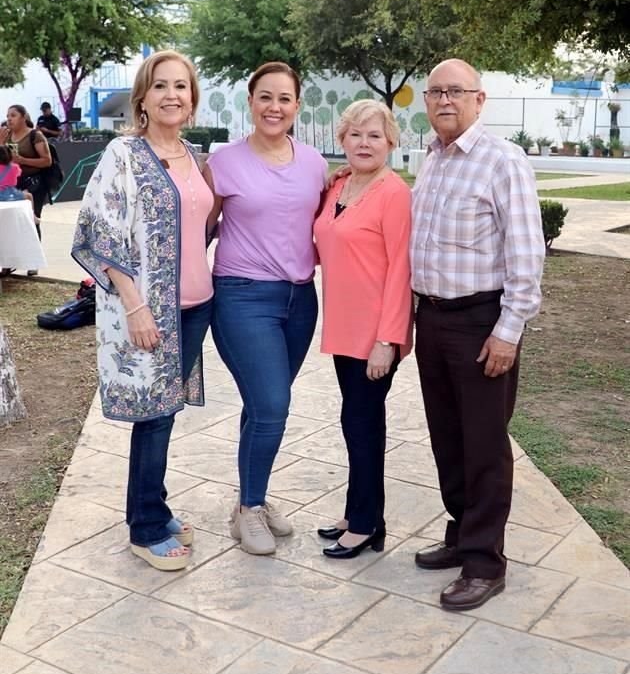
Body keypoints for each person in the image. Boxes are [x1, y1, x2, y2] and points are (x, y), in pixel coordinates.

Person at [72, 50, 215, 571]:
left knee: (165, 413)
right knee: (152, 418)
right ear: (143, 99)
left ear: (192, 100)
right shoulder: (124, 154)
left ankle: (151, 505)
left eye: (182, 86)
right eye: (160, 86)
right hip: (152, 311)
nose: (172, 94)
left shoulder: (194, 156)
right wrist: (135, 307)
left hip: (196, 308)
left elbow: (201, 227)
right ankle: (146, 529)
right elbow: (101, 233)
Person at [411, 58, 545, 611]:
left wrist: (509, 330)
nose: (445, 100)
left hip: (481, 322)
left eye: (457, 92)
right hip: (432, 318)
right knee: (447, 436)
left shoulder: (502, 161)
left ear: (479, 100)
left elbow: (526, 252)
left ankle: (485, 562)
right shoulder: (432, 159)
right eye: (436, 92)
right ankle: (461, 533)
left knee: (485, 443)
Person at [202, 61, 328, 556]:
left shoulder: (315, 163)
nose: (275, 107)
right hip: (242, 297)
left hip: (300, 300)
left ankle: (250, 498)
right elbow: (200, 231)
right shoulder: (224, 163)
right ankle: (250, 508)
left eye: (285, 99)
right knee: (273, 404)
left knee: (261, 404)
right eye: (265, 97)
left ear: (297, 107)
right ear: (250, 102)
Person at [313, 100, 413, 559]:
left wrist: (387, 340)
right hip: (343, 326)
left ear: (391, 142)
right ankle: (360, 514)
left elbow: (401, 271)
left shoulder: (393, 194)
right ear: (342, 141)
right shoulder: (339, 187)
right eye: (355, 134)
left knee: (362, 422)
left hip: (375, 334)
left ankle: (367, 523)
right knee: (357, 423)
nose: (364, 143)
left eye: (374, 135)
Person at [0, 105, 52, 260]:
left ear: (23, 117)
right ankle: (8, 262)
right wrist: (1, 143)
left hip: (33, 182)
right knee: (8, 223)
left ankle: (34, 261)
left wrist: (22, 160)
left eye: (13, 115)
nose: (9, 119)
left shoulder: (35, 135)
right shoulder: (6, 136)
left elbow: (47, 161)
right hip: (11, 184)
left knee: (31, 220)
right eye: (8, 115)